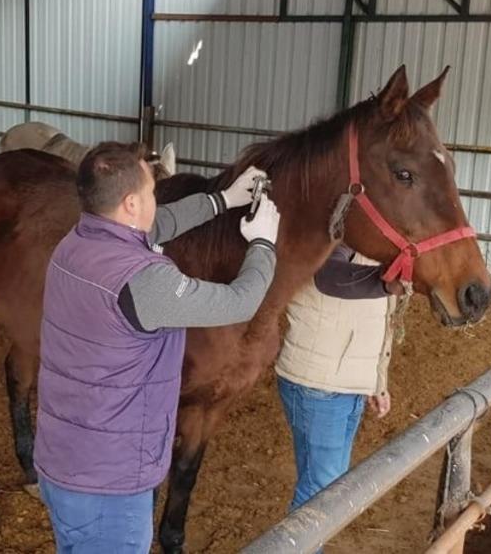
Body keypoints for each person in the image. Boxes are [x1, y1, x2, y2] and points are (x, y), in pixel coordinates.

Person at [34, 142, 280, 553]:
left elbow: (157, 224)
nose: (156, 201)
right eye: (151, 193)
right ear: (131, 204)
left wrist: (222, 200)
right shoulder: (144, 280)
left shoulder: (75, 243)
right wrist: (264, 245)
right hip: (111, 486)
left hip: (63, 462)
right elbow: (242, 301)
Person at [275, 244, 398, 518]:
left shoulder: (377, 242)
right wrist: (389, 283)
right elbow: (329, 276)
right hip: (319, 385)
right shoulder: (331, 233)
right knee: (320, 493)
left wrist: (376, 381)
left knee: (330, 487)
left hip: (346, 385)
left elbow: (376, 319)